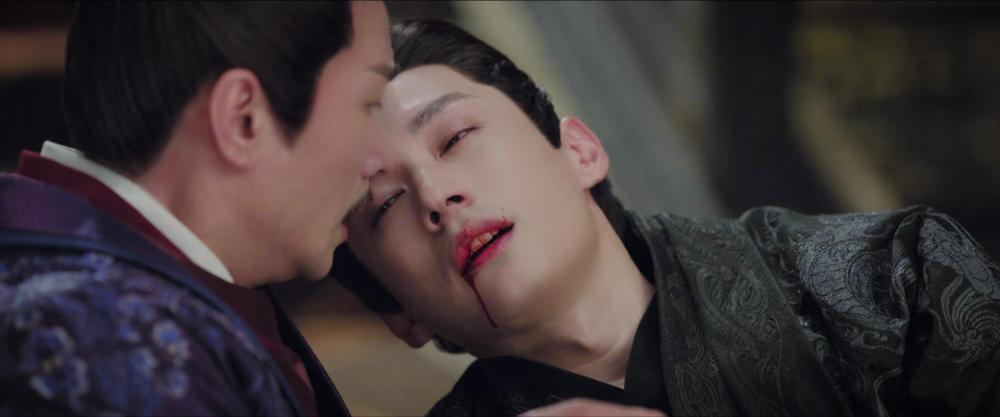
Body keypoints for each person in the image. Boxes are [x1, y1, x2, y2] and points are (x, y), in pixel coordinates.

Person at [336, 19, 1000, 417]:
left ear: (579, 150)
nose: (435, 196)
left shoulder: (900, 282)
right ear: (400, 316)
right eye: (386, 205)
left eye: (454, 138)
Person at [0, 2, 392, 415]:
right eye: (369, 104)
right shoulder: (118, 360)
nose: (378, 160)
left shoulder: (92, 301)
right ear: (244, 119)